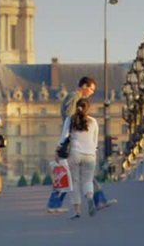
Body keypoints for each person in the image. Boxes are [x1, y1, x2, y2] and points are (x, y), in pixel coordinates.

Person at [49, 76, 116, 213]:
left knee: (78, 175)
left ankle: (99, 200)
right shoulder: (74, 97)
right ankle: (54, 203)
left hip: (74, 142)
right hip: (73, 143)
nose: (91, 93)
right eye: (91, 89)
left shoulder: (75, 98)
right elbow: (69, 117)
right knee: (70, 175)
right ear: (84, 86)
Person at [56, 98, 99, 219]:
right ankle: (89, 197)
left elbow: (64, 137)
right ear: (88, 109)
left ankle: (77, 211)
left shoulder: (70, 120)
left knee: (74, 181)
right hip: (90, 154)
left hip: (74, 153)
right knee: (87, 180)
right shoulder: (93, 122)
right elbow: (95, 142)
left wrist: (57, 151)